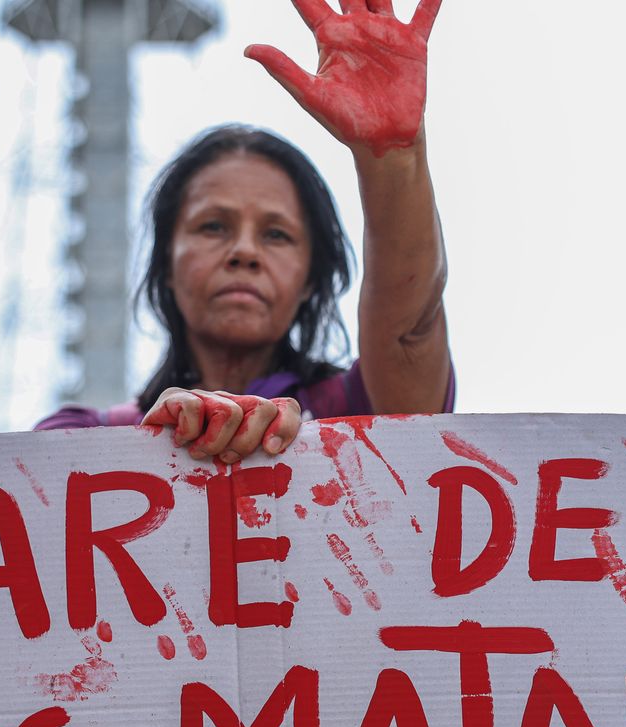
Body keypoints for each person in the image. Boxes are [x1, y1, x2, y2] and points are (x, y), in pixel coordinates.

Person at [37, 0, 451, 464]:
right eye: (213, 226)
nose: (244, 251)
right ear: (166, 263)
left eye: (277, 235)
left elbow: (409, 331)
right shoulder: (76, 439)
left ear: (310, 277)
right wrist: (145, 451)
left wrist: (394, 157)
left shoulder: (361, 412)